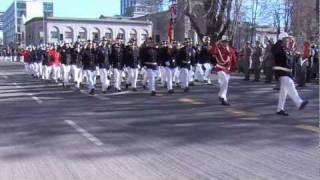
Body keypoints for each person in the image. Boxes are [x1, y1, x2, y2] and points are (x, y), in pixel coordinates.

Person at [271, 32, 308, 116]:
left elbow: (290, 61)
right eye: (286, 39)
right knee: (291, 86)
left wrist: (296, 57)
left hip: (287, 73)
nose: (288, 40)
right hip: (282, 73)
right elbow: (273, 51)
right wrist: (279, 42)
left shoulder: (286, 49)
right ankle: (299, 103)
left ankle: (280, 109)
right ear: (282, 39)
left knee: (283, 92)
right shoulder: (278, 48)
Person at [211, 35, 237, 106]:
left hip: (228, 69)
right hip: (220, 68)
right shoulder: (218, 49)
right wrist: (216, 43)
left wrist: (233, 68)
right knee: (224, 81)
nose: (225, 43)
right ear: (221, 42)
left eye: (226, 42)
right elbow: (212, 51)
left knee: (224, 84)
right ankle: (222, 96)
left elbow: (234, 59)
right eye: (223, 42)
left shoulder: (231, 50)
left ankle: (223, 98)